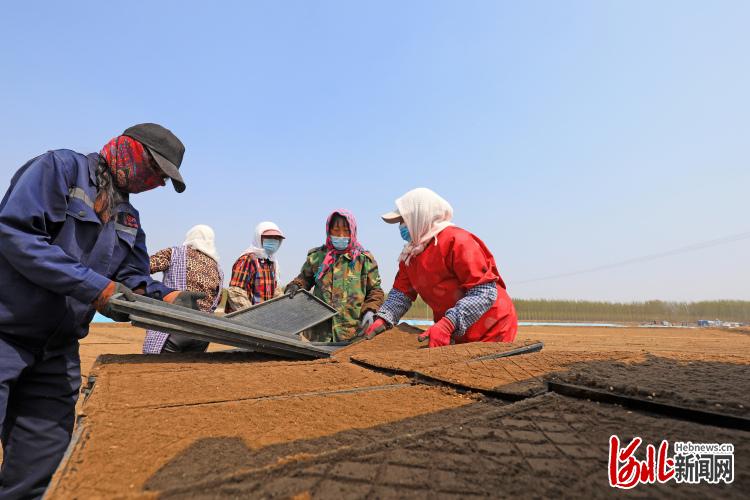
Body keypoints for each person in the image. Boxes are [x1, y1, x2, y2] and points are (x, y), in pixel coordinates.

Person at [0, 123, 203, 499]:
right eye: (156, 171)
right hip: (6, 334)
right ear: (129, 150)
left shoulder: (128, 218)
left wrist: (170, 302)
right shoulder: (61, 170)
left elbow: (133, 278)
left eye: (163, 179)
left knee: (38, 471)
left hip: (56, 354)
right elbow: (16, 235)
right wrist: (97, 288)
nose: (156, 184)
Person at [359, 188, 517, 347]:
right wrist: (384, 318)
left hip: (492, 327)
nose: (400, 227)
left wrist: (449, 323)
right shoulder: (410, 255)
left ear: (419, 217)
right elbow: (401, 294)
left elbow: (484, 292)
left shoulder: (457, 241)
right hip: (456, 331)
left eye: (403, 220)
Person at [284, 210, 384, 342]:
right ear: (329, 231)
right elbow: (304, 279)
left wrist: (370, 310)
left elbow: (375, 291)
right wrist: (295, 286)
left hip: (351, 333)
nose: (341, 235)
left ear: (353, 231)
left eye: (346, 231)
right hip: (318, 334)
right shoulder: (317, 256)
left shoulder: (364, 260)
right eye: (336, 230)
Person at [143, 224, 224, 354]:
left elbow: (144, 267)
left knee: (159, 370)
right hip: (203, 333)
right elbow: (217, 300)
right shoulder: (217, 268)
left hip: (174, 328)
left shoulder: (175, 253)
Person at [227, 222, 285, 311]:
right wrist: (250, 315)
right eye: (269, 237)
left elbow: (275, 291)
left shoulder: (271, 262)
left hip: (263, 319)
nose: (273, 241)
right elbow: (235, 291)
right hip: (243, 320)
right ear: (259, 238)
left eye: (276, 238)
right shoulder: (248, 259)